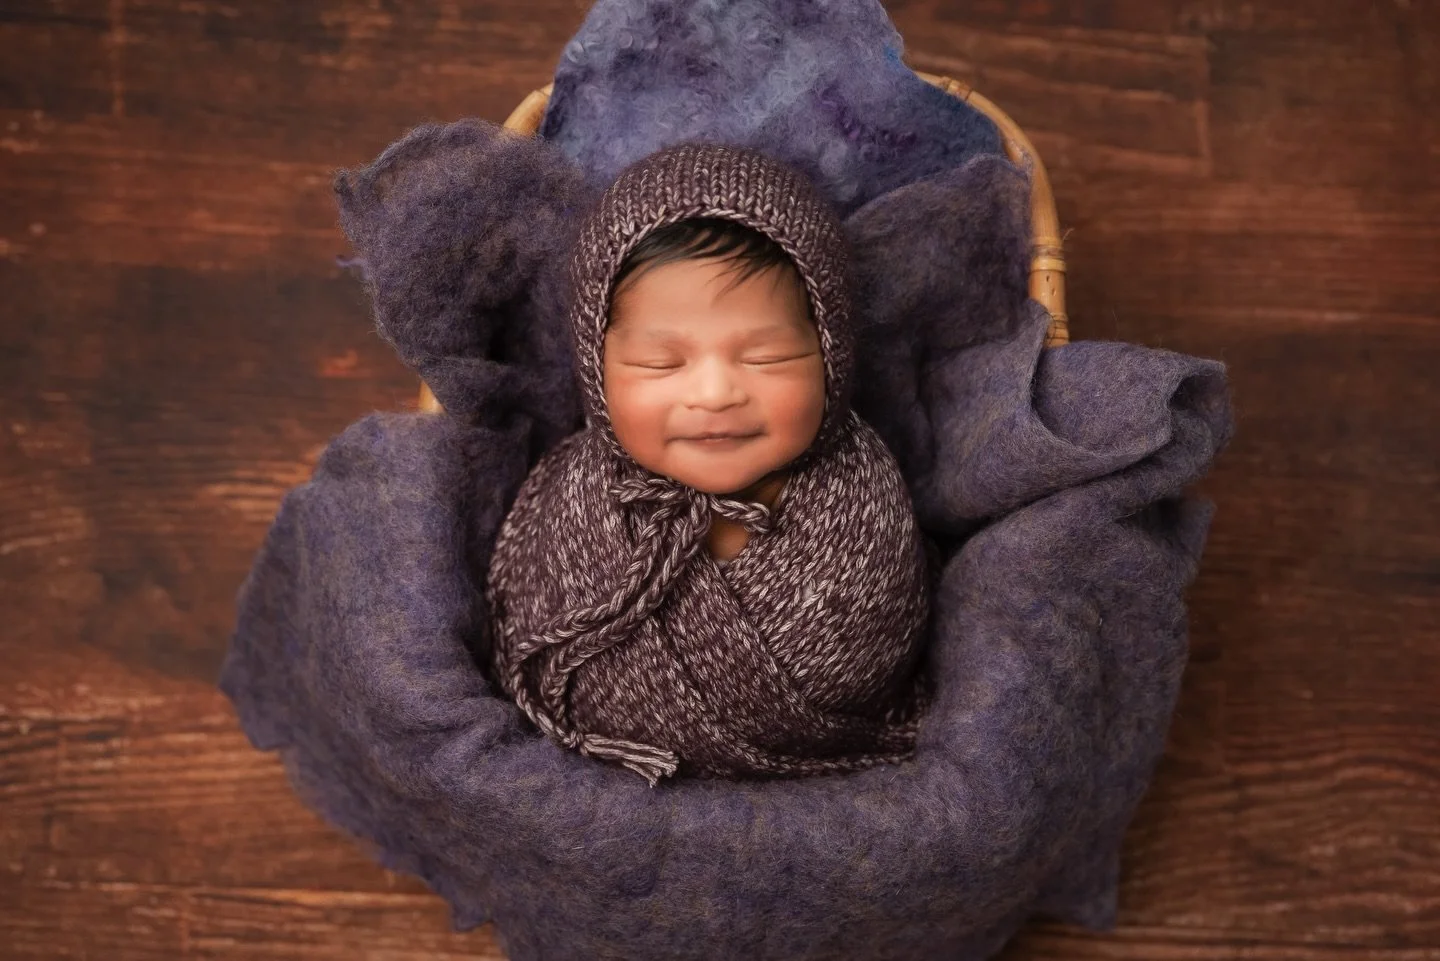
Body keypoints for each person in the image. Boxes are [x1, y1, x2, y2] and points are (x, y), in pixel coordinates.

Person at [486, 141, 933, 784]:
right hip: (604, 779)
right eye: (660, 363)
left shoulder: (861, 504)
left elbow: (875, 648)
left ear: (831, 356)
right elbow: (528, 621)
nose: (716, 393)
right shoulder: (575, 495)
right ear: (595, 370)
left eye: (767, 357)